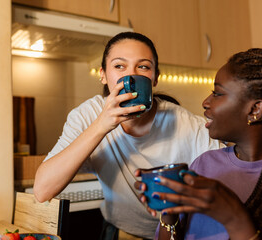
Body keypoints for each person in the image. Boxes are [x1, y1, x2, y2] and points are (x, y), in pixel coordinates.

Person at [33, 31, 220, 239]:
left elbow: (227, 176)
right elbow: (42, 191)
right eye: (119, 66)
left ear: (155, 78)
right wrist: (102, 125)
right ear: (103, 74)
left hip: (176, 232)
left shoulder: (187, 124)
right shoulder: (88, 115)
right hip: (119, 232)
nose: (131, 75)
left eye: (143, 66)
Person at [138, 48, 262, 239]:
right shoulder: (204, 165)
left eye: (217, 93)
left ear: (255, 110)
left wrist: (235, 218)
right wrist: (169, 214)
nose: (206, 102)